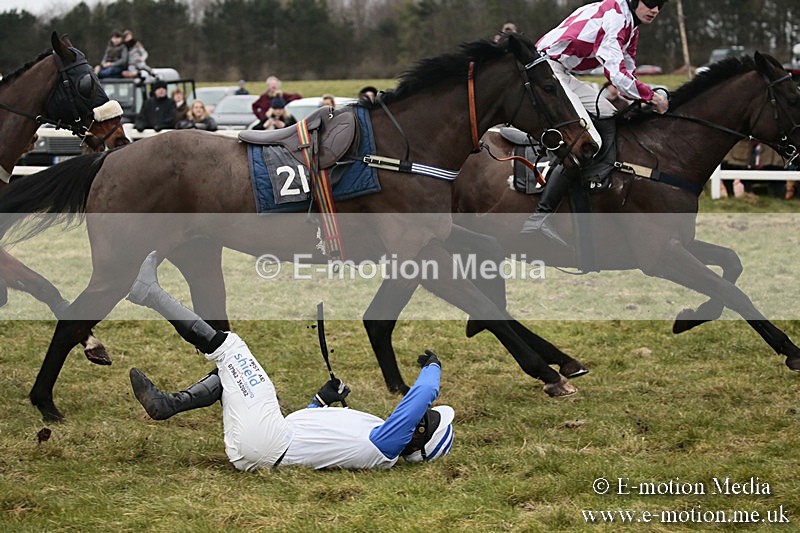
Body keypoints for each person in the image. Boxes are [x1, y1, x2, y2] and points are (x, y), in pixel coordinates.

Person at [125, 252, 455, 471]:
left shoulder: (389, 447)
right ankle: (166, 404)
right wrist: (321, 401)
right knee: (232, 373)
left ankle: (149, 293)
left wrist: (433, 368)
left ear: (419, 436)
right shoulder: (378, 434)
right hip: (260, 449)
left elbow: (422, 395)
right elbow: (308, 434)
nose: (423, 414)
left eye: (427, 420)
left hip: (267, 442)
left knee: (232, 349)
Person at [521, 0, 670, 243]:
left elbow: (627, 70)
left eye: (660, 5)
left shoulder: (631, 26)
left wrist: (641, 96)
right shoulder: (617, 17)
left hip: (561, 72)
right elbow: (616, 74)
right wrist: (651, 96)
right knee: (585, 139)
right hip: (545, 71)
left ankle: (593, 178)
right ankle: (539, 218)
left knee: (609, 113)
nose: (655, 10)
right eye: (651, 2)